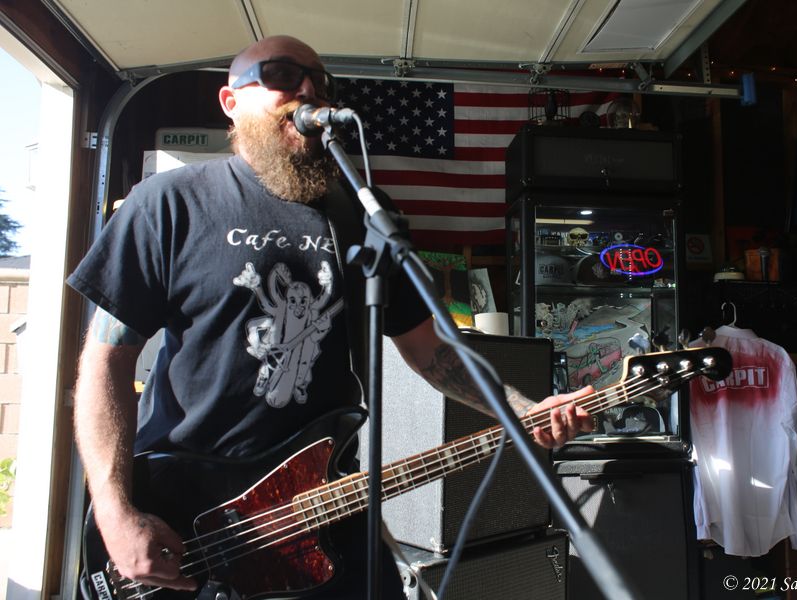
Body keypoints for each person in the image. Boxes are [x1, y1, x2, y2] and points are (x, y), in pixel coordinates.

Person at [68, 35, 593, 599]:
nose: (308, 89)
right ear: (230, 102)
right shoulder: (169, 202)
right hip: (192, 513)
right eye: (280, 74)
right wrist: (115, 512)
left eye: (320, 82)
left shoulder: (362, 213)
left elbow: (433, 351)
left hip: (323, 498)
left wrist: (525, 411)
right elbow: (105, 362)